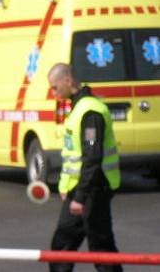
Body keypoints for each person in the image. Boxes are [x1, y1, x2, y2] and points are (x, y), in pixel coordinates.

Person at [47, 63, 122, 272]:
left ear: (68, 80)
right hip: (80, 190)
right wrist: (66, 187)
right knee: (62, 246)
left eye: (55, 87)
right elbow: (74, 156)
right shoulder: (78, 108)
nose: (54, 93)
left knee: (101, 247)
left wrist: (80, 197)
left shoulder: (90, 112)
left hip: (93, 189)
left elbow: (92, 157)